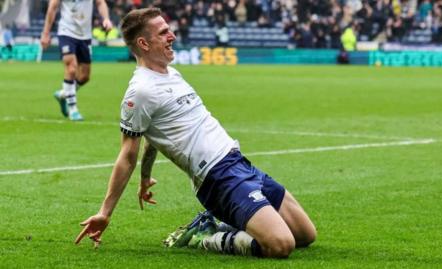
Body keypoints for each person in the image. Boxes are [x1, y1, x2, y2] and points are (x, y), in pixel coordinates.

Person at [74, 8, 316, 258]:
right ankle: (206, 237)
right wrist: (105, 212)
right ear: (143, 43)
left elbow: (155, 134)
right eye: (163, 32)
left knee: (305, 235)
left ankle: (222, 221)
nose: (172, 36)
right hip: (218, 178)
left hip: (239, 163)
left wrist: (146, 176)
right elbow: (127, 154)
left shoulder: (172, 74)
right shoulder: (140, 91)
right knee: (280, 245)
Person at [41, 0, 112, 121]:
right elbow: (52, 8)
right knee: (71, 68)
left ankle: (64, 94)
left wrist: (106, 18)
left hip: (85, 35)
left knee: (84, 76)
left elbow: (100, 3)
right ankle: (73, 110)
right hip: (66, 32)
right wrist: (46, 33)